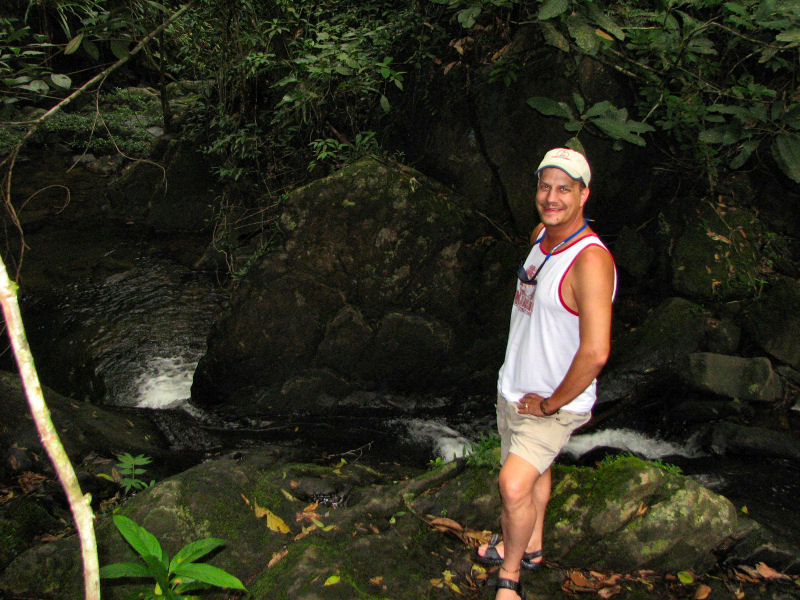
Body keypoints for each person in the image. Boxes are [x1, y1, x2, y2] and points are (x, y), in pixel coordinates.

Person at [473, 147, 617, 600]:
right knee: (535, 472)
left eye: (564, 189)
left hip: (552, 400)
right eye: (545, 186)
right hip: (514, 386)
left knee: (512, 484)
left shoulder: (590, 262)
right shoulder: (541, 237)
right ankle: (531, 543)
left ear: (583, 194)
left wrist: (552, 403)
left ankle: (511, 577)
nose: (551, 197)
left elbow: (595, 352)